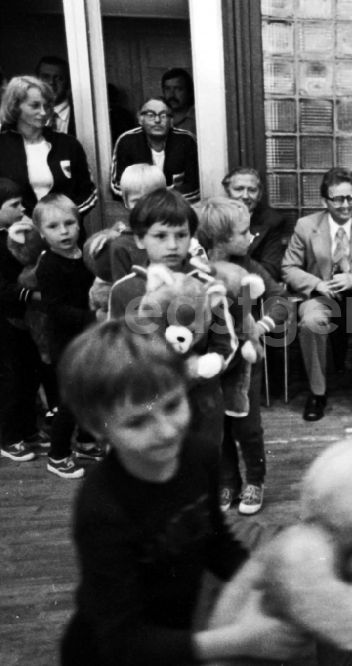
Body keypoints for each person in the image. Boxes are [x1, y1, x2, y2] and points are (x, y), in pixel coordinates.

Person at [57, 320, 308, 665]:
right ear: (96, 426)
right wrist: (238, 640)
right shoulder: (102, 508)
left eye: (173, 405)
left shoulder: (199, 455)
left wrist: (264, 579)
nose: (165, 431)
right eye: (137, 422)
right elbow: (122, 639)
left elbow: (215, 541)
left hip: (180, 633)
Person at [109, 188, 237, 456]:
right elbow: (115, 349)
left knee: (201, 471)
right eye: (160, 236)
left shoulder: (206, 285)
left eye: (181, 235)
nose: (172, 245)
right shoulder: (124, 290)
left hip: (201, 402)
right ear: (141, 239)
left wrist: (204, 366)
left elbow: (225, 343)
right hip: (147, 405)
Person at [195, 197, 289, 515]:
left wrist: (262, 325)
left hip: (244, 362)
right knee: (216, 426)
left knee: (247, 427)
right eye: (244, 232)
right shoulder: (197, 269)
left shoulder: (250, 266)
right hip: (209, 362)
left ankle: (255, 480)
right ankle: (227, 480)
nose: (252, 238)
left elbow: (279, 297)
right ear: (220, 239)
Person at [282, 166, 352, 425]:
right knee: (310, 322)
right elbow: (288, 268)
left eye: (351, 198)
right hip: (320, 298)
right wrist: (316, 284)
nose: (346, 205)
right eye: (338, 199)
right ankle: (317, 392)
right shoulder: (306, 226)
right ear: (325, 200)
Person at [34, 194, 97, 479]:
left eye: (70, 223)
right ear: (41, 232)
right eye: (54, 226)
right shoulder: (48, 264)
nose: (64, 231)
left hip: (87, 339)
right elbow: (55, 309)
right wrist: (91, 318)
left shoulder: (83, 255)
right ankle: (58, 455)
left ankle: (85, 441)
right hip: (65, 344)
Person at [0, 76, 97, 220]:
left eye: (47, 106)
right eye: (35, 106)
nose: (43, 112)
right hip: (19, 233)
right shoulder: (3, 146)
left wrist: (65, 217)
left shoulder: (68, 144)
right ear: (15, 106)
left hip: (65, 232)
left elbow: (89, 192)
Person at [0, 178, 47, 463]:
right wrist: (31, 294)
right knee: (12, 379)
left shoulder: (16, 233)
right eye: (14, 205)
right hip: (6, 320)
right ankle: (8, 436)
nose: (22, 209)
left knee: (30, 374)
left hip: (24, 319)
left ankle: (28, 429)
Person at [110, 97, 199, 203]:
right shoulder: (127, 141)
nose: (157, 120)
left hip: (177, 207)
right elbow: (117, 185)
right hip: (139, 207)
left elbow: (195, 186)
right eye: (150, 115)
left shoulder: (186, 140)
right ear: (140, 119)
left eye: (163, 115)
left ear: (171, 120)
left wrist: (162, 200)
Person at [222, 166, 289, 281]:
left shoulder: (272, 221)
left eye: (252, 190)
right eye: (238, 189)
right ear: (227, 191)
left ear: (260, 194)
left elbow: (271, 269)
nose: (245, 196)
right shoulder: (216, 217)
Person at [107, 163, 167, 281]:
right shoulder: (120, 246)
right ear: (126, 202)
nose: (145, 206)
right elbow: (122, 291)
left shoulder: (175, 234)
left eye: (152, 199)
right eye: (137, 201)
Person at [36, 56, 73, 135]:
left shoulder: (82, 116)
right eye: (45, 77)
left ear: (68, 83)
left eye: (59, 78)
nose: (51, 82)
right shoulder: (23, 115)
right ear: (36, 81)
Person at [162, 67, 196, 135]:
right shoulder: (158, 117)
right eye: (167, 89)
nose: (171, 94)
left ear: (189, 92)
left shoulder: (198, 118)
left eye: (178, 89)